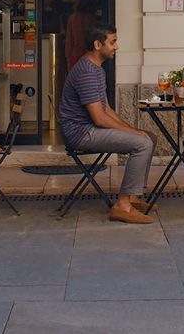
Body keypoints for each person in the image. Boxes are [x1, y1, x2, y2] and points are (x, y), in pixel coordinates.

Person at [57, 24, 156, 224]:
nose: (116, 47)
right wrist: (134, 134)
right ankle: (122, 206)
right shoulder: (86, 71)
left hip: (89, 128)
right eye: (112, 42)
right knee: (143, 143)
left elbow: (107, 110)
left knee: (149, 137)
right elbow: (100, 119)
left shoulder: (96, 69)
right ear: (97, 44)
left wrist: (134, 130)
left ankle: (133, 196)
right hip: (81, 133)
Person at [63, 0, 98, 71]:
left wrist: (68, 57)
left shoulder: (72, 18)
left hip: (75, 53)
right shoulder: (93, 19)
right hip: (89, 54)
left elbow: (69, 40)